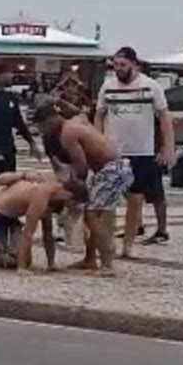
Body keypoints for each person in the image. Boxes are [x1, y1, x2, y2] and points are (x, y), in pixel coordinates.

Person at [35, 104, 133, 275]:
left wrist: (67, 179)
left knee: (91, 215)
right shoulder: (76, 121)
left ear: (50, 120)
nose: (44, 132)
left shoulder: (67, 134)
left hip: (111, 169)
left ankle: (107, 264)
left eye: (43, 127)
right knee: (93, 213)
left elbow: (82, 167)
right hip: (115, 167)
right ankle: (90, 259)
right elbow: (82, 114)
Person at [95, 47, 174, 259]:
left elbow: (165, 118)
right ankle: (105, 243)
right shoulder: (108, 87)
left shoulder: (151, 86)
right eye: (115, 65)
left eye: (122, 65)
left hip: (142, 151)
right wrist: (99, 141)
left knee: (136, 199)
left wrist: (167, 147)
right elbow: (99, 114)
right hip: (114, 152)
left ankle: (128, 245)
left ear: (133, 64)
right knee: (108, 197)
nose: (118, 69)